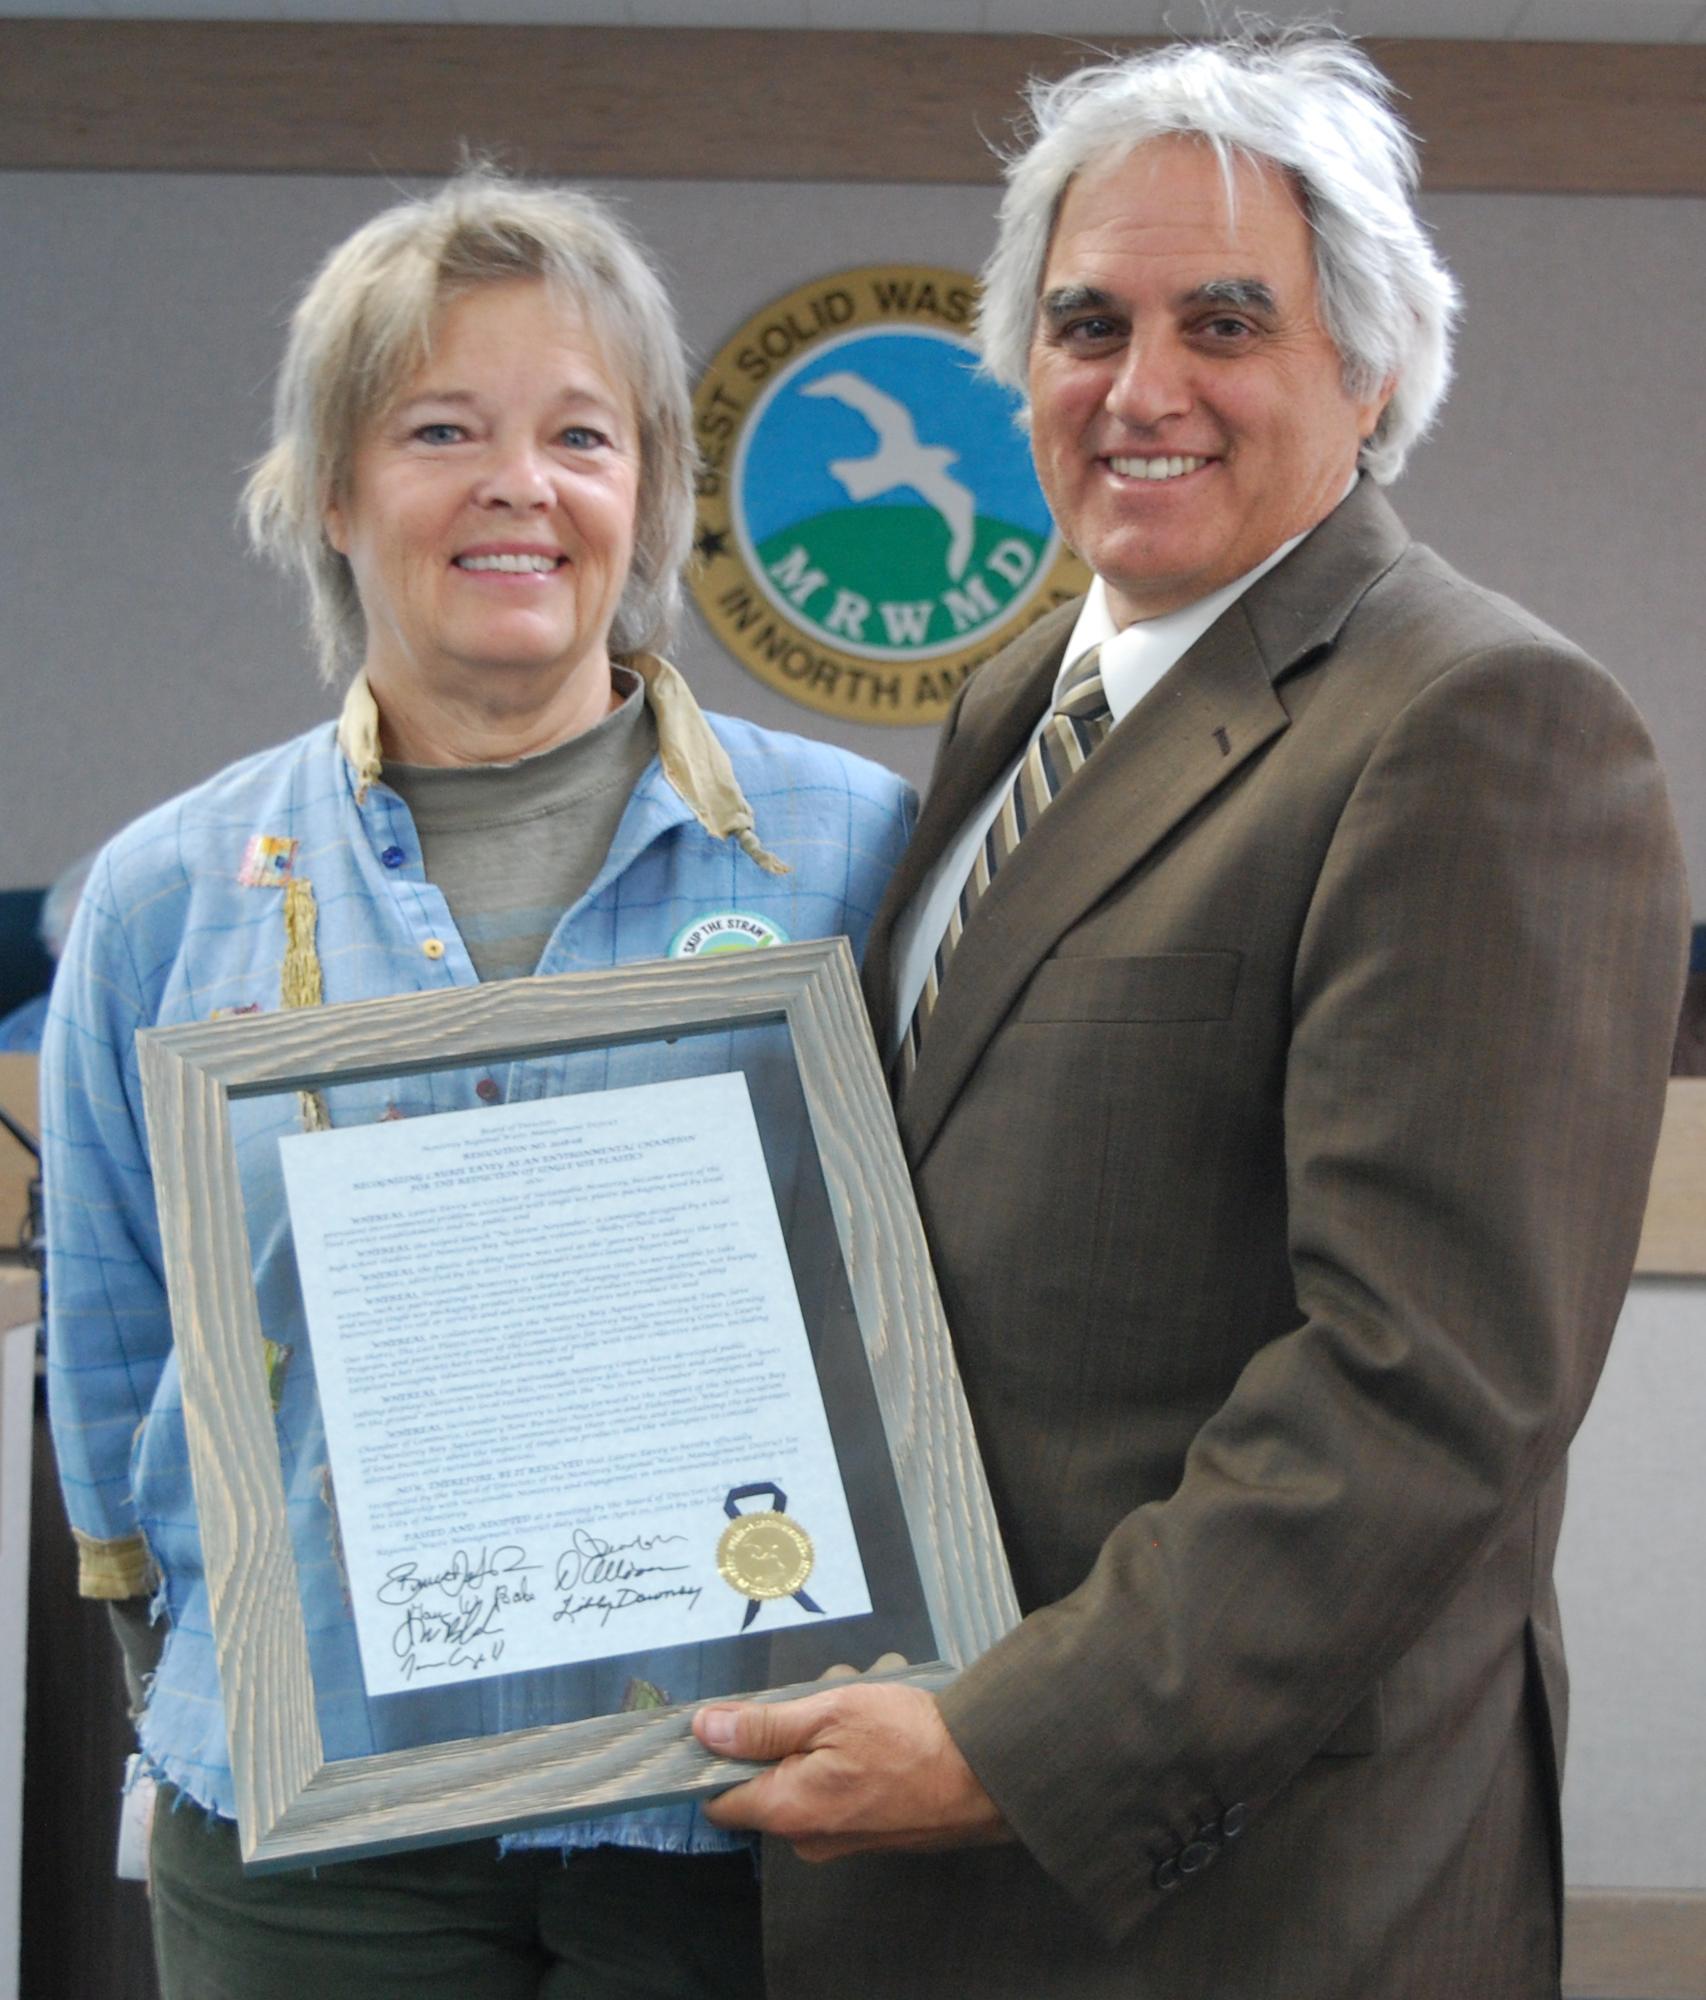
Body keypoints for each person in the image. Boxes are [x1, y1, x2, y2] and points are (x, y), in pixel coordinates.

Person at [691, 31, 1690, 2000]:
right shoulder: (1013, 705)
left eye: (1222, 322)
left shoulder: (1480, 723)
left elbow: (1426, 1385)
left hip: (1248, 1886)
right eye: (1086, 324)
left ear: (1371, 370)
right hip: (941, 1850)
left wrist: (1006, 1743)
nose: (1139, 387)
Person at [42, 168, 914, 2000]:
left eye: (580, 435)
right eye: (440, 429)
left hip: (736, 1806)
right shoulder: (167, 894)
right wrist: (191, 1668)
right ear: (332, 491)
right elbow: (118, 1347)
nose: (519, 483)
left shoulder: (854, 850)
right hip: (313, 1835)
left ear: (646, 494)